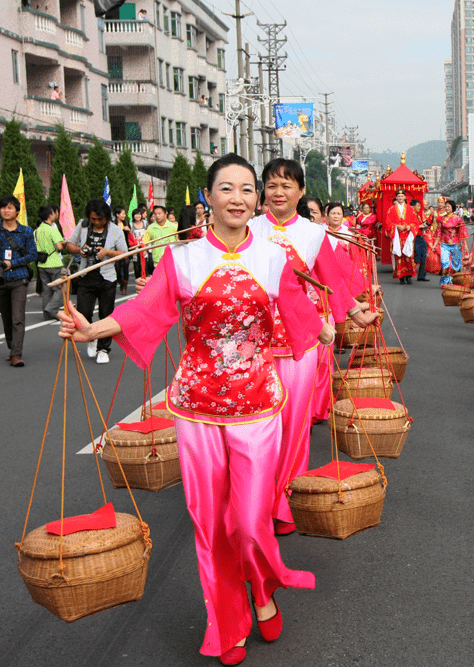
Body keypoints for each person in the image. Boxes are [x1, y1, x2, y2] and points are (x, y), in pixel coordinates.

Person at [59, 153, 334, 665]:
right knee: (209, 523)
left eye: (247, 189)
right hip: (198, 408)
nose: (238, 198)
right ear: (208, 197)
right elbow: (147, 310)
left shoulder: (276, 257)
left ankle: (262, 587)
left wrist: (338, 318)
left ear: (256, 199)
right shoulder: (182, 259)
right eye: (226, 188)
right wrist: (92, 329)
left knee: (251, 522)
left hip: (257, 406)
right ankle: (225, 620)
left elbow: (302, 309)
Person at [250, 158, 376, 537]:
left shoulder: (313, 233)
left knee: (293, 424)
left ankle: (285, 500)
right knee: (256, 426)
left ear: (301, 191)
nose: (278, 192)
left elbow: (331, 280)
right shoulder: (247, 229)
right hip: (251, 344)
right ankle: (253, 500)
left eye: (287, 185)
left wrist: (354, 312)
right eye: (272, 185)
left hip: (299, 341)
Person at [64, 199, 128, 365]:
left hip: (107, 278)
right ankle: (92, 335)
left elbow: (124, 253)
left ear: (106, 217)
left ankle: (104, 349)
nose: (97, 222)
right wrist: (80, 250)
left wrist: (107, 252)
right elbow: (69, 245)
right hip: (85, 276)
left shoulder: (115, 230)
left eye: (100, 219)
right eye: (93, 219)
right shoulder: (83, 226)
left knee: (106, 315)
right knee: (83, 312)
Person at [0, 195, 36, 367]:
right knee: (6, 319)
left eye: (10, 207)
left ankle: (16, 354)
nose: (6, 211)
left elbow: (33, 254)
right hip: (1, 280)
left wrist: (12, 263)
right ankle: (11, 348)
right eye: (3, 207)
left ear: (17, 211)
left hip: (20, 279)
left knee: (18, 318)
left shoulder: (26, 231)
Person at [35, 205, 66, 319]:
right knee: (61, 289)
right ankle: (51, 309)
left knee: (46, 289)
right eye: (55, 213)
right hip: (54, 263)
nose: (56, 215)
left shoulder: (37, 231)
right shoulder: (52, 230)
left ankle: (47, 314)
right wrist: (62, 243)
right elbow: (59, 247)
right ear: (50, 215)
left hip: (41, 263)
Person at [384, 189, 419, 284]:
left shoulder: (411, 209)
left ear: (405, 197)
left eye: (402, 196)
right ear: (396, 197)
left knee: (409, 256)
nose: (400, 198)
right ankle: (401, 276)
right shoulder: (391, 209)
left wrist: (410, 227)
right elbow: (388, 223)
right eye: (398, 196)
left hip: (407, 236)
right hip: (397, 236)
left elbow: (416, 222)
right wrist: (396, 226)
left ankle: (409, 276)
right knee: (399, 256)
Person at [143, 205, 178, 269]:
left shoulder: (174, 226)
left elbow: (180, 240)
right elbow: (144, 243)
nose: (157, 216)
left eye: (159, 213)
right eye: (155, 214)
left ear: (165, 213)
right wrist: (143, 250)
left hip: (172, 260)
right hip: (157, 262)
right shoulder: (151, 228)